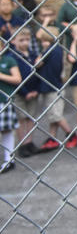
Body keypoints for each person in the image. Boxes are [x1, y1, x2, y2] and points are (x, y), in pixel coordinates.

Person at [33, 27, 77, 150]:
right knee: (52, 114)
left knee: (56, 115)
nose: (41, 43)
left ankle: (71, 134)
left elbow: (37, 63)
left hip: (52, 86)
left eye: (43, 40)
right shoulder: (57, 49)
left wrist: (42, 51)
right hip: (53, 85)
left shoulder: (49, 50)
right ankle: (52, 137)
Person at [10, 30, 40, 158]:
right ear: (13, 41)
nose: (25, 43)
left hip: (33, 90)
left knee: (31, 117)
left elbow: (39, 74)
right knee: (21, 118)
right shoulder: (13, 57)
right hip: (20, 92)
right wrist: (25, 92)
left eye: (27, 40)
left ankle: (29, 142)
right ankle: (22, 144)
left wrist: (36, 90)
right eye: (21, 40)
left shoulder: (33, 55)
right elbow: (16, 79)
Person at [0, 47, 22, 173]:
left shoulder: (8, 60)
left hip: (3, 100)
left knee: (7, 130)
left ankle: (9, 159)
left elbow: (17, 79)